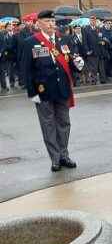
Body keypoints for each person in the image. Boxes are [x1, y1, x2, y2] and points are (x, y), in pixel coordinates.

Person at [22, 10, 80, 172]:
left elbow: (71, 63)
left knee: (64, 123)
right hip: (43, 91)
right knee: (48, 125)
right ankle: (55, 159)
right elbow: (26, 70)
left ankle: (64, 155)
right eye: (47, 21)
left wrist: (78, 64)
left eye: (53, 22)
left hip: (62, 89)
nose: (51, 24)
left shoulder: (64, 40)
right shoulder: (31, 42)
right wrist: (32, 94)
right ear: (39, 23)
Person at [83, 16, 108, 84]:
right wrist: (87, 50)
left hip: (100, 50)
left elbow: (102, 37)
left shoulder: (98, 28)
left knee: (101, 67)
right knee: (93, 67)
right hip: (92, 51)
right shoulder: (86, 29)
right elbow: (85, 41)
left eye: (94, 20)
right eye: (92, 20)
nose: (93, 21)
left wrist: (103, 41)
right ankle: (94, 80)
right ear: (90, 21)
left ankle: (103, 79)